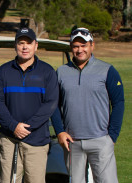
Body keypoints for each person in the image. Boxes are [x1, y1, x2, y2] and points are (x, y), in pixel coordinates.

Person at [51, 27, 125, 183]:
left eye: (84, 45)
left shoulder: (107, 70)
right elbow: (54, 105)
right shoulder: (61, 72)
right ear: (71, 47)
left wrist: (112, 136)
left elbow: (118, 103)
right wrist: (60, 131)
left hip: (101, 140)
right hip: (72, 142)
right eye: (76, 46)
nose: (80, 50)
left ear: (92, 45)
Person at [0, 28, 59, 183]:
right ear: (15, 46)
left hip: (37, 140)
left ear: (36, 45)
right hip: (9, 139)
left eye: (29, 43)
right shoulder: (3, 71)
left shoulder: (47, 72)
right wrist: (13, 125)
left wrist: (27, 127)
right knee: (7, 180)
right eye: (21, 43)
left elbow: (51, 103)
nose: (25, 47)